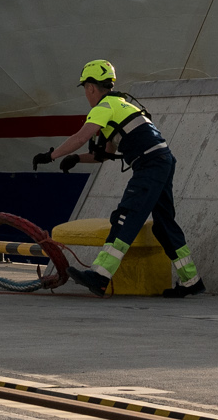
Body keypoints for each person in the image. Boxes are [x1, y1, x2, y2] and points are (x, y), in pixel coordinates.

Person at [33, 59, 203, 298]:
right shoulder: (122, 105)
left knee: (125, 217)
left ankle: (100, 276)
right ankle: (191, 280)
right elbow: (104, 154)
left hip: (149, 165)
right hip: (162, 160)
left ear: (91, 87)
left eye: (84, 88)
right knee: (164, 225)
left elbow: (81, 136)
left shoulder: (103, 108)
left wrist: (51, 155)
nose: (85, 93)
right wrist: (77, 160)